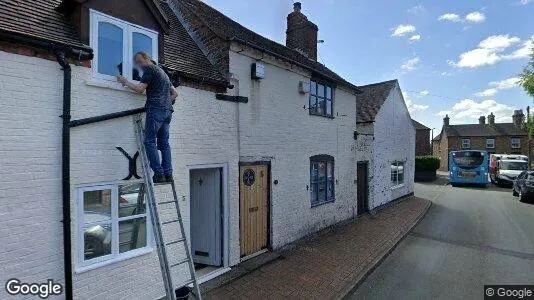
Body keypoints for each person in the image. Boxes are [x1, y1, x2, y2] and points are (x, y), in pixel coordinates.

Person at [118, 52, 178, 183]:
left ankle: (159, 174)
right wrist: (165, 102)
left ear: (147, 58)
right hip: (167, 111)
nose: (139, 65)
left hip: (156, 110)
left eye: (140, 61)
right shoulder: (163, 73)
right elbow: (175, 93)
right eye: (137, 63)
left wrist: (125, 81)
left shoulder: (149, 69)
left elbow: (140, 89)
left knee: (149, 141)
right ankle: (168, 174)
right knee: (164, 144)